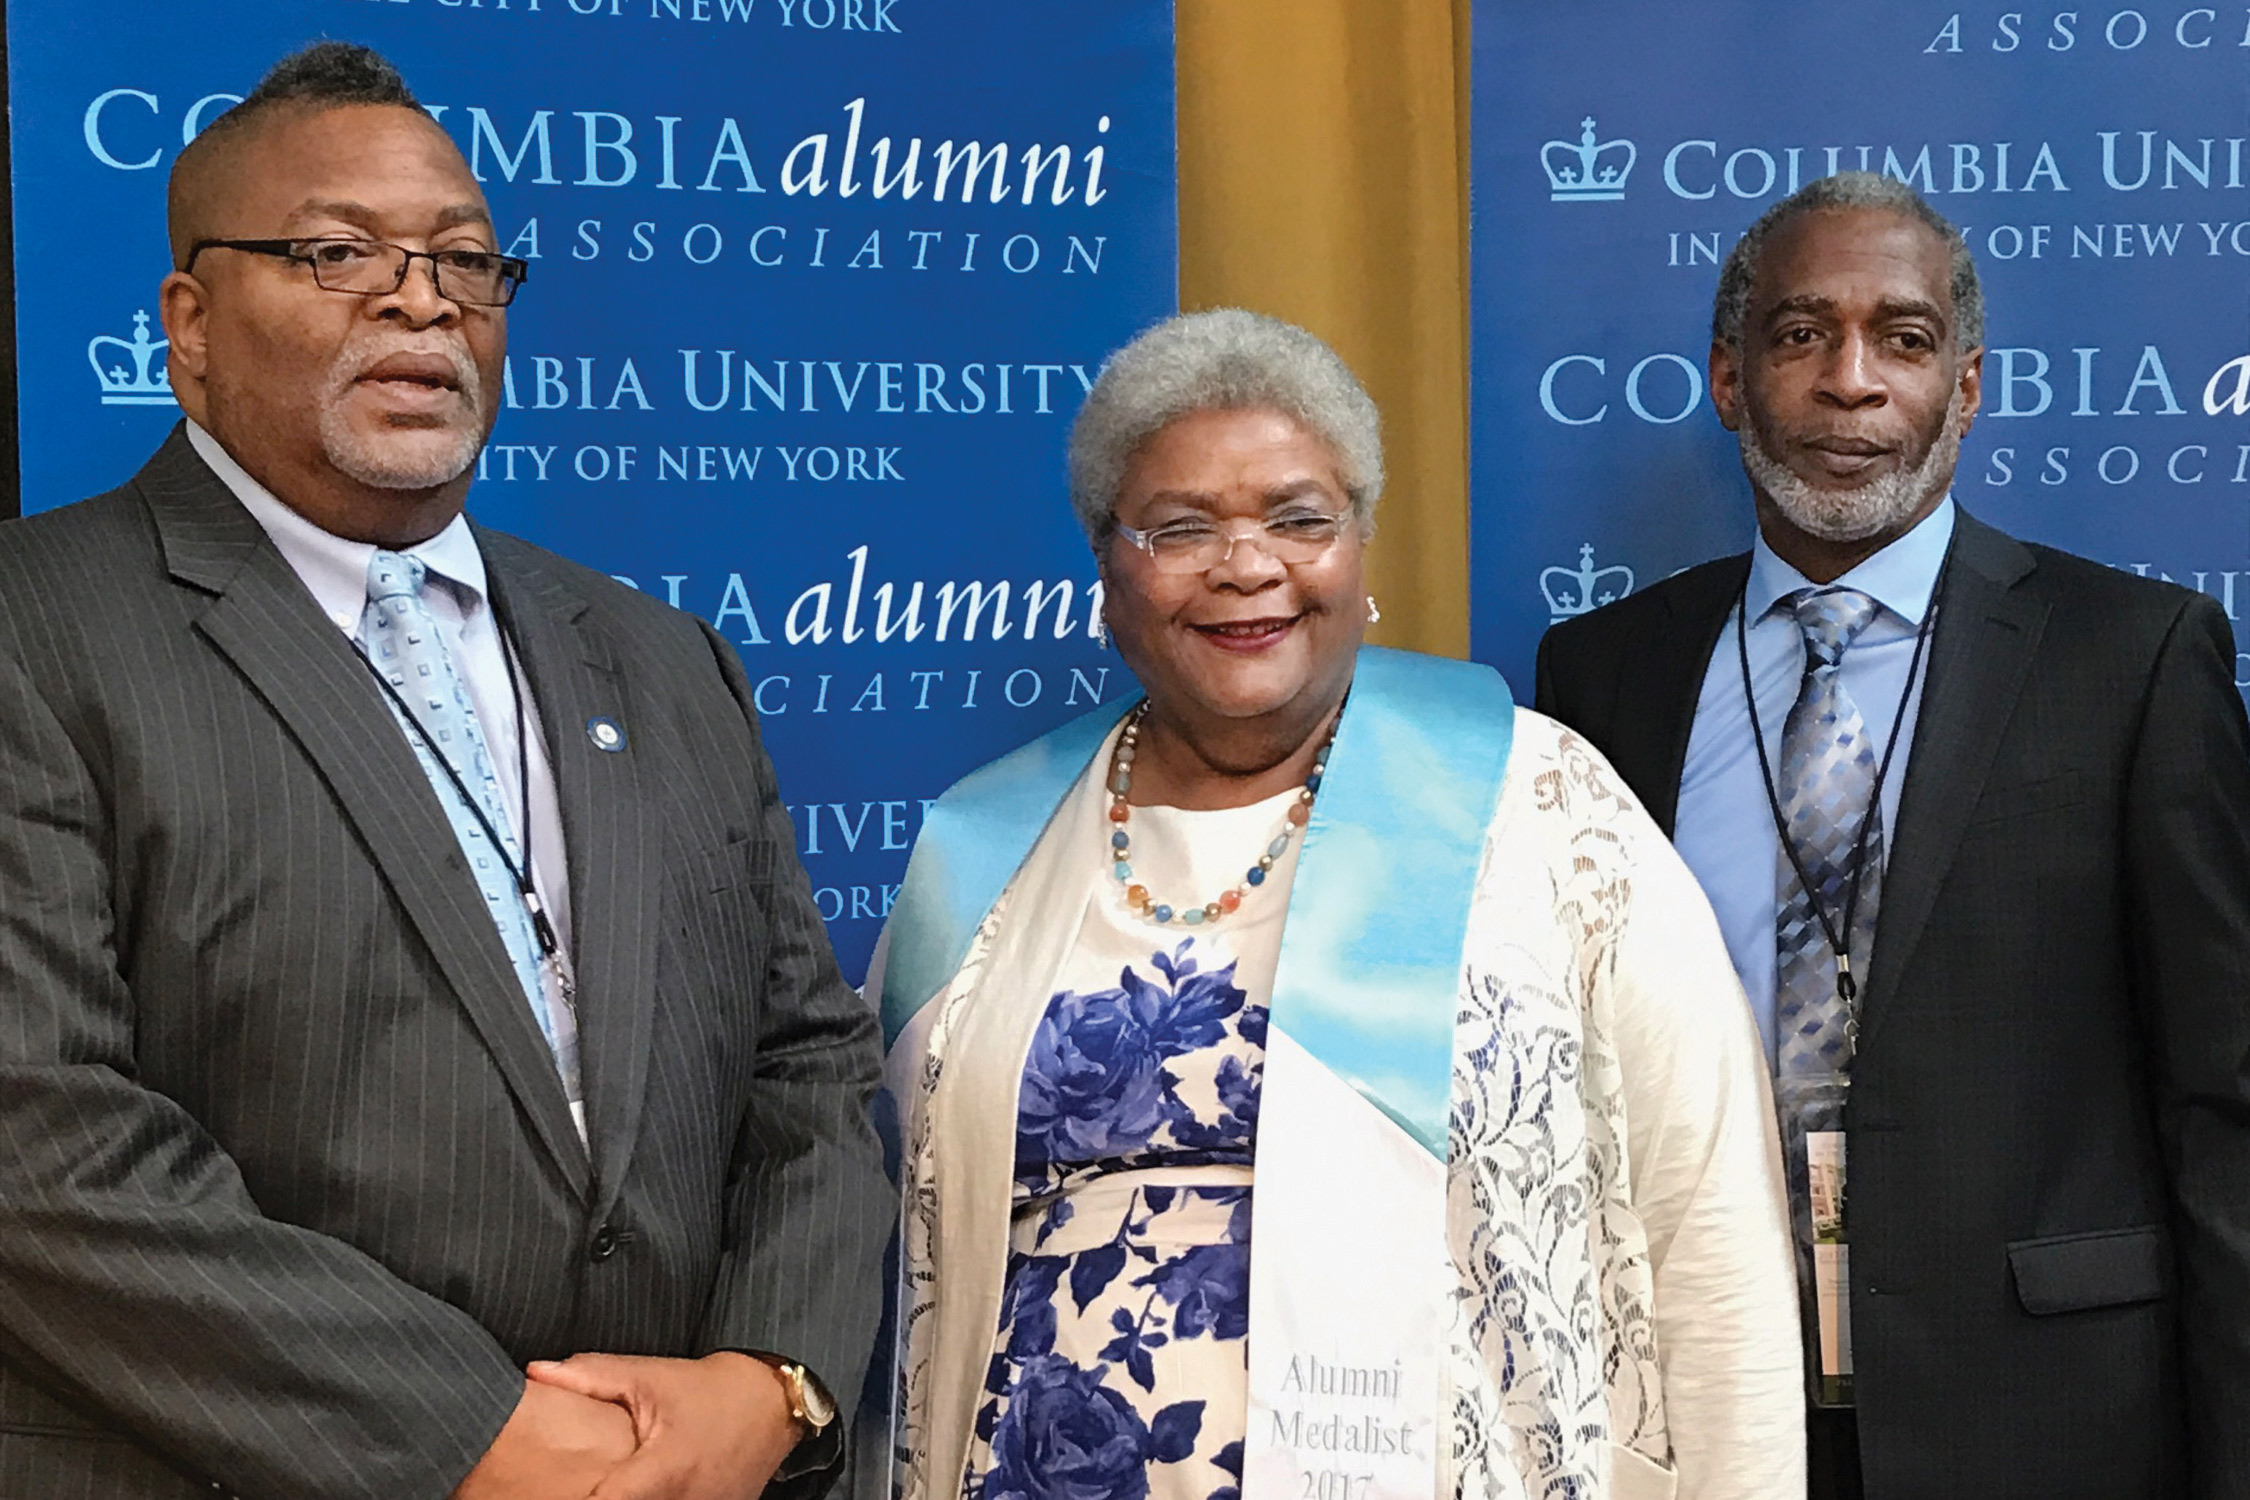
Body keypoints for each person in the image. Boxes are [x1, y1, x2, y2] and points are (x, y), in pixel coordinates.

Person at [0, 43, 887, 1500]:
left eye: (466, 261)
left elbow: (802, 1062)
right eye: (336, 251)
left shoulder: (659, 659)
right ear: (192, 321)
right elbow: (38, 1139)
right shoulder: (38, 627)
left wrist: (771, 1382)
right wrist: (475, 1433)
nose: (419, 298)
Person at [863, 309, 1802, 1500]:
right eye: (1181, 527)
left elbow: (1706, 1220)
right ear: (1107, 571)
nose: (1246, 565)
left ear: (1361, 549)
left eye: (1297, 519)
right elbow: (882, 1240)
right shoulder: (986, 850)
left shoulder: (1546, 807)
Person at [1535, 172, 2250, 1499]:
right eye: (1799, 334)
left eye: (1902, 339)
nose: (1848, 383)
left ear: (1963, 389)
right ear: (1727, 382)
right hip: (1698, 1405)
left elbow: (2223, 1105)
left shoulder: (2131, 660)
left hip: (2043, 1418)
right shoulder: (1603, 674)